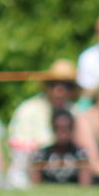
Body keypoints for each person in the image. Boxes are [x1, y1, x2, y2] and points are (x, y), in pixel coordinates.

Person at [6, 60, 78, 188]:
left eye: (67, 85)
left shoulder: (74, 111)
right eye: (54, 84)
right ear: (46, 86)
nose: (59, 90)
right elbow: (20, 149)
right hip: (28, 172)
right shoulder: (28, 109)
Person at [30, 110, 91, 186]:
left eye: (66, 128)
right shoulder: (41, 155)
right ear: (53, 128)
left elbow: (85, 186)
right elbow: (36, 186)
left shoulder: (80, 154)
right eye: (58, 128)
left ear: (72, 128)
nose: (62, 133)